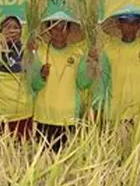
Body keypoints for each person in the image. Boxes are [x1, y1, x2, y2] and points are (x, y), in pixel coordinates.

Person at [28, 10, 97, 151]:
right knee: (42, 162)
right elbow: (33, 85)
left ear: (69, 31)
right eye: (55, 28)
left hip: (69, 118)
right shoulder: (39, 52)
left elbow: (83, 83)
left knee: (67, 163)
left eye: (63, 28)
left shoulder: (78, 54)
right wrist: (41, 75)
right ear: (49, 31)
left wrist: (91, 63)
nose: (59, 32)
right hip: (44, 117)